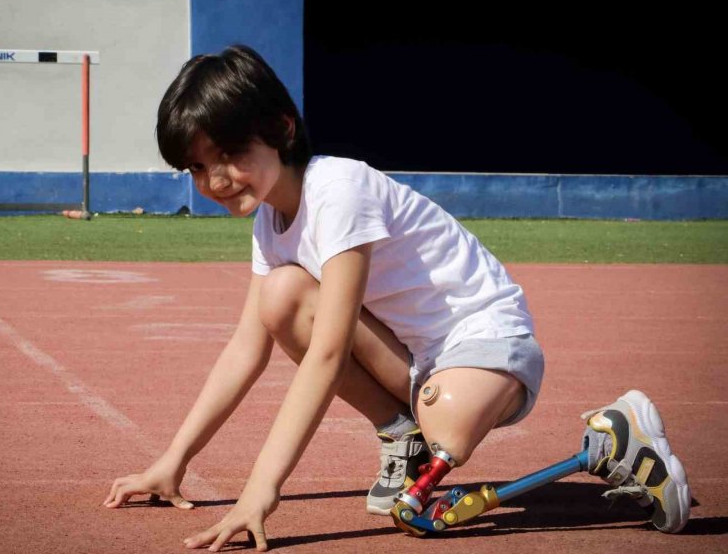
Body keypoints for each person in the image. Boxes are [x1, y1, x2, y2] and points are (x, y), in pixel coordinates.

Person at [103, 45, 690, 550]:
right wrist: (171, 463)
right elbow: (244, 349)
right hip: (416, 359)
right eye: (198, 167)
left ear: (281, 129)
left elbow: (329, 354)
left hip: (486, 339)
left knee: (449, 423)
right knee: (280, 296)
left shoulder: (338, 188)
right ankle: (403, 434)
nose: (216, 180)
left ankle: (613, 438)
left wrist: (262, 492)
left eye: (229, 153)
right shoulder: (271, 223)